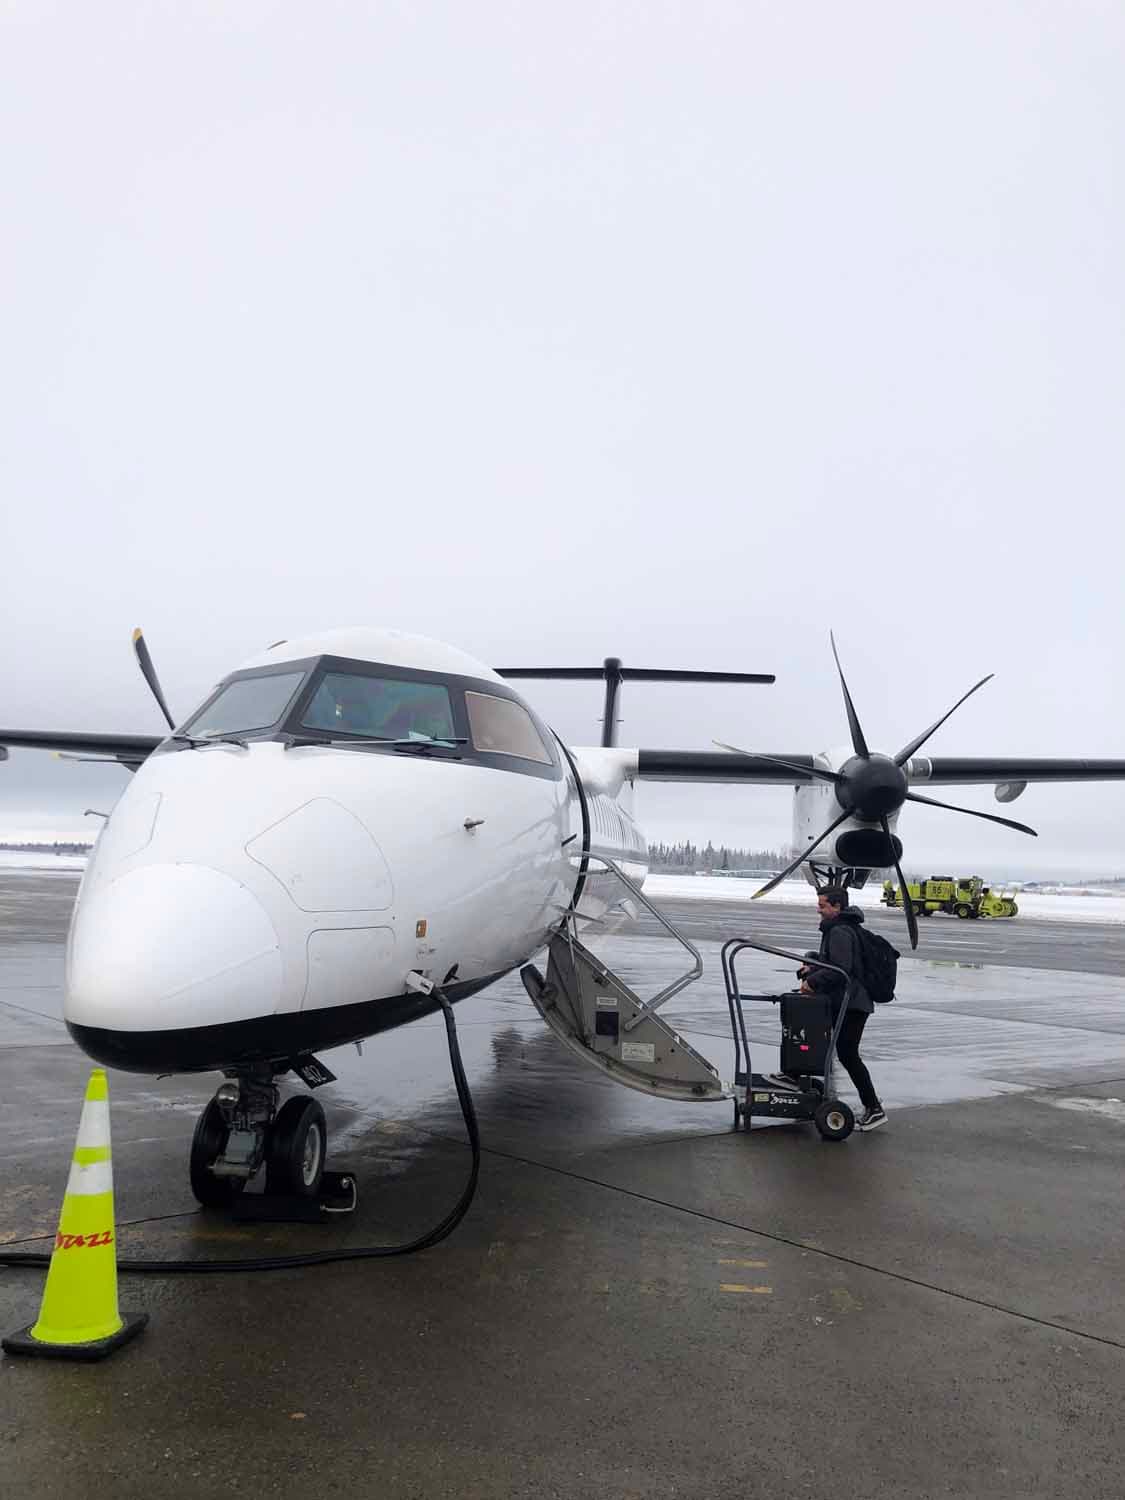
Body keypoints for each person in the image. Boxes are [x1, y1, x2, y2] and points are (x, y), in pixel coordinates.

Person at [774, 885, 887, 1132]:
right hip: (847, 1000)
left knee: (847, 1054)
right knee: (818, 1036)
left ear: (837, 907)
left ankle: (874, 1108)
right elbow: (835, 963)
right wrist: (812, 966)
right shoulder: (839, 929)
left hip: (853, 1003)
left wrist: (813, 982)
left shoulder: (840, 932)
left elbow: (842, 969)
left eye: (823, 905)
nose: (819, 909)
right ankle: (794, 1075)